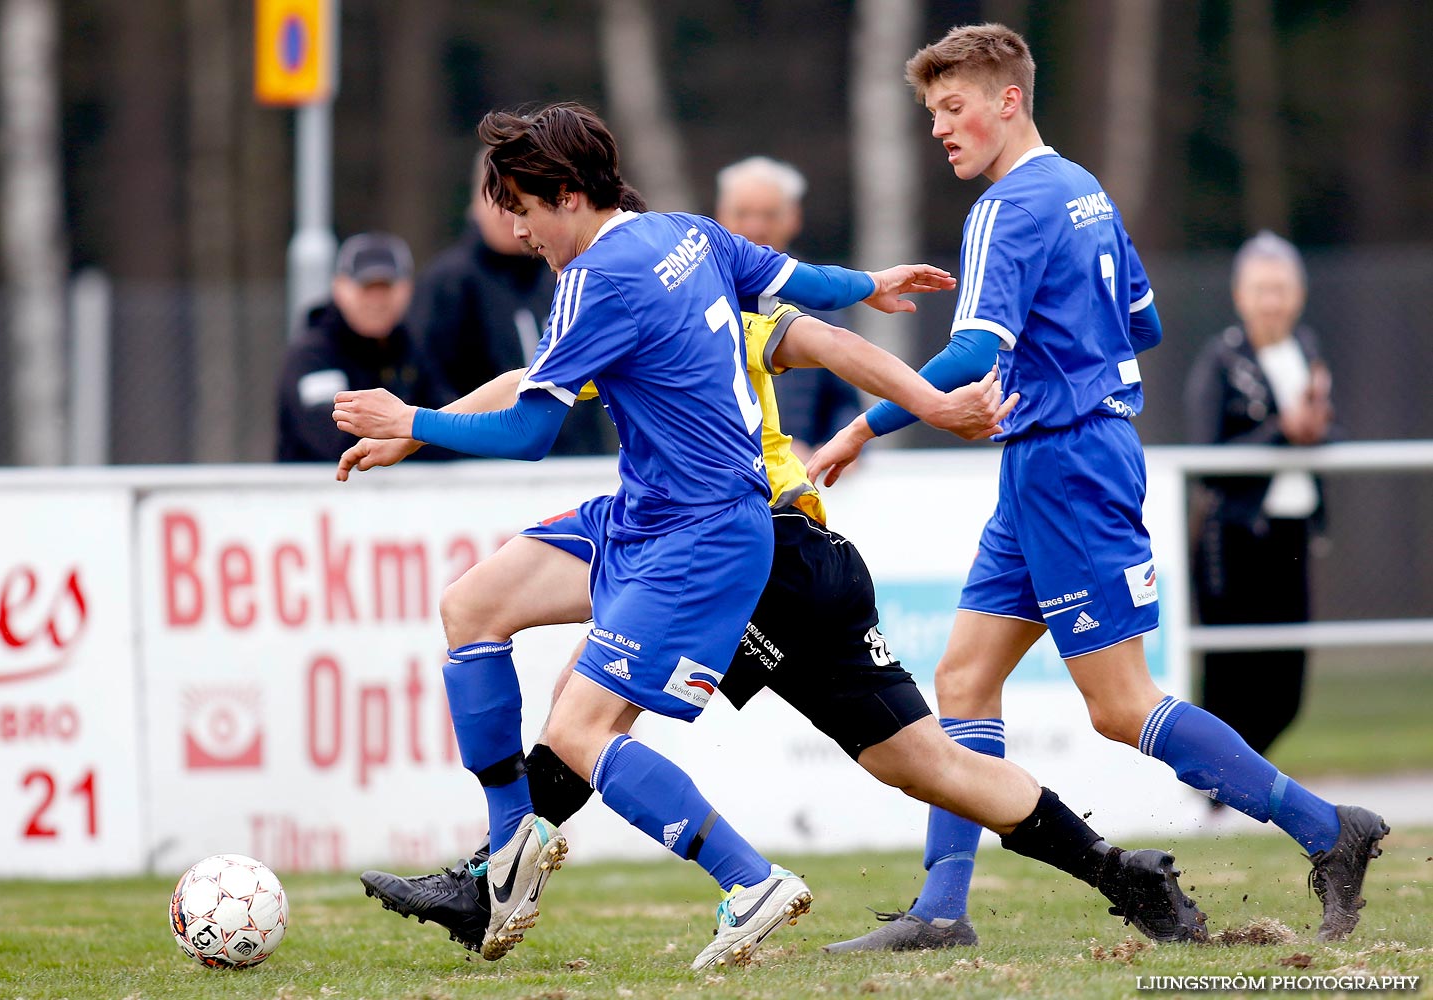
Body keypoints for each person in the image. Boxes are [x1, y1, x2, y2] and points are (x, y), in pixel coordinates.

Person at [345, 304, 1207, 964]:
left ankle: (555, 881)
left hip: (763, 558)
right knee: (920, 762)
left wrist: (924, 404)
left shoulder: (692, 310)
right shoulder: (646, 308)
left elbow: (828, 341)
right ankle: (1121, 874)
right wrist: (418, 427)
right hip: (758, 550)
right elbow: (536, 380)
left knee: (590, 714)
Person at [330, 101, 972, 969]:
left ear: (563, 195)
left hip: (701, 536)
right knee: (470, 607)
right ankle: (510, 852)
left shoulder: (597, 281)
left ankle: (751, 883)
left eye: (521, 208)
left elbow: (528, 432)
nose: (518, 232)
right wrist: (872, 284)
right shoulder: (685, 234)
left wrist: (413, 415)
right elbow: (800, 283)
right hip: (643, 514)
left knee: (585, 733)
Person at [807, 23, 1386, 952]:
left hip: (1070, 465)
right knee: (962, 678)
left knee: (1119, 706)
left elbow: (969, 353)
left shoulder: (1007, 207)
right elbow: (1143, 323)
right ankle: (941, 912)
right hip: (1048, 461)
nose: (941, 131)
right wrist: (1063, 359)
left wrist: (859, 427)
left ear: (1010, 100)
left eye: (953, 109)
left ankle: (1331, 830)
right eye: (931, 116)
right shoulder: (1086, 190)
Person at [1185, 231, 1334, 762]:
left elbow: (1314, 436)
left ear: (1299, 293)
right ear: (1239, 295)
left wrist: (1315, 429)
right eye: (1261, 288)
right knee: (1231, 674)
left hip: (1292, 532)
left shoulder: (1307, 349)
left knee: (1287, 682)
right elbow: (1206, 458)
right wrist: (1281, 431)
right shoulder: (1222, 360)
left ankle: (1247, 780)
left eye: (1282, 288)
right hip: (1235, 537)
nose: (1272, 301)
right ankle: (1215, 788)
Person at [409, 154, 616, 456]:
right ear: (475, 204)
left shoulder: (569, 274)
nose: (512, 219)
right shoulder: (446, 284)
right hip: (483, 470)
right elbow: (429, 382)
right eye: (500, 202)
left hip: (573, 466)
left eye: (520, 206)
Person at [715, 156, 862, 461]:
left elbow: (844, 400)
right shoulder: (693, 289)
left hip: (800, 476)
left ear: (793, 218)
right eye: (743, 213)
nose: (755, 226)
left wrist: (841, 446)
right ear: (720, 216)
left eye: (768, 215)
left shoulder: (819, 296)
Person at [276, 233, 448, 462]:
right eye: (366, 287)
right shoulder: (312, 356)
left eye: (386, 287)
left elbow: (448, 426)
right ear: (340, 289)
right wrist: (416, 434)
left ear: (407, 289)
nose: (377, 300)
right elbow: (336, 442)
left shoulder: (415, 349)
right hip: (321, 494)